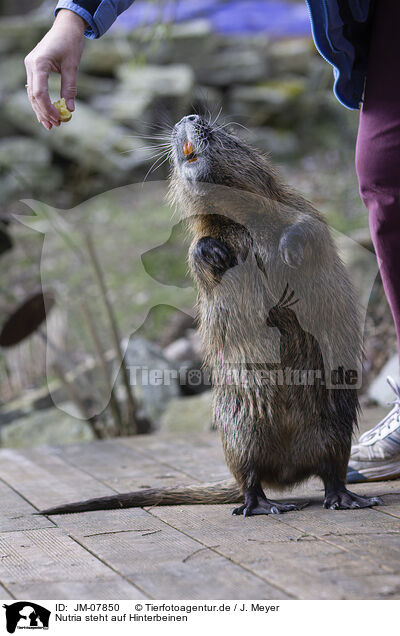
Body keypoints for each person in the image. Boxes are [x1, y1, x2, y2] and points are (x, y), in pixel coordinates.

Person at [24, 0, 400, 482]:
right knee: (384, 167)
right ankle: (257, 486)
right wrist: (74, 16)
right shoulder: (208, 235)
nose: (185, 130)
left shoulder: (286, 208)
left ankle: (332, 479)